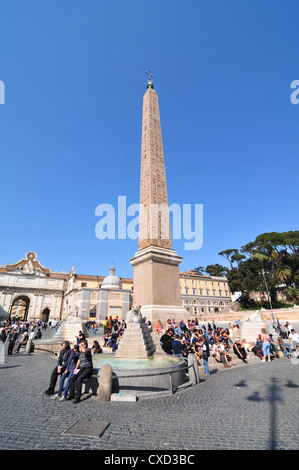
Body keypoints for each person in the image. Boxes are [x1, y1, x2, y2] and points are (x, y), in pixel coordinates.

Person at [67, 340, 93, 404]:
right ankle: (71, 394)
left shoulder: (88, 350)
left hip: (88, 368)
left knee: (79, 379)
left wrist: (82, 347)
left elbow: (84, 351)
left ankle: (77, 397)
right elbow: (79, 360)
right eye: (80, 345)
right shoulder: (81, 352)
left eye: (82, 344)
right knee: (72, 378)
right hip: (81, 368)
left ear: (85, 345)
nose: (80, 346)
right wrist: (76, 368)